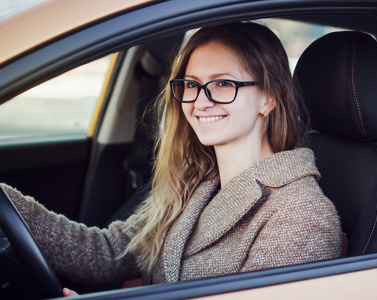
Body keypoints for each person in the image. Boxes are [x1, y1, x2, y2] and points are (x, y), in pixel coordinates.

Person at [1, 21, 342, 290]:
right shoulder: (196, 183)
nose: (200, 101)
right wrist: (8, 201)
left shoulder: (301, 216)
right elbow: (107, 253)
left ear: (270, 98)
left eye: (223, 84)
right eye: (191, 84)